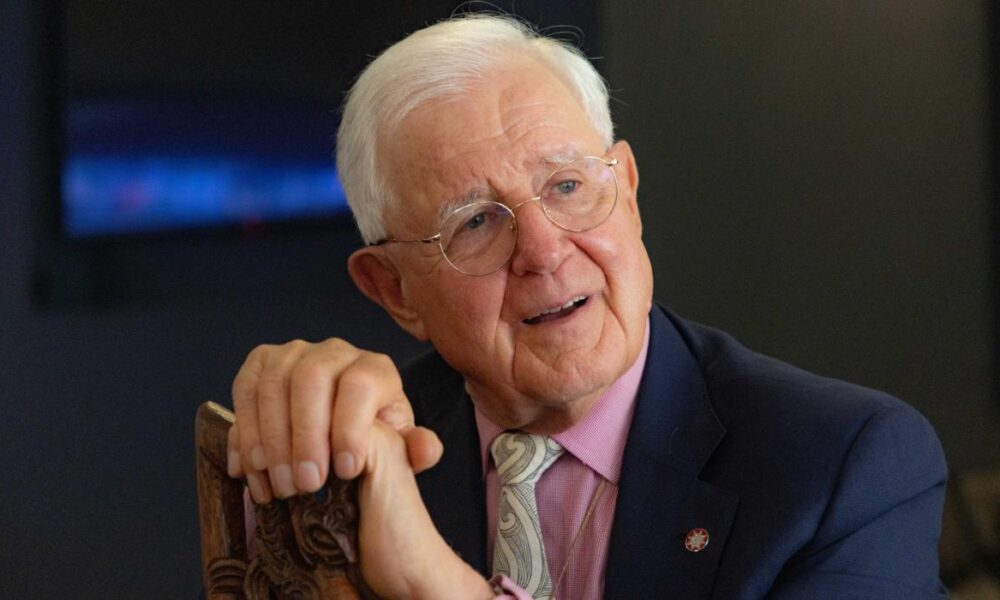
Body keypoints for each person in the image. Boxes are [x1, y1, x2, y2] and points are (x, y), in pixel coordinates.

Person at [226, 14, 948, 600]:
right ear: (393, 289)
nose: (543, 250)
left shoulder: (842, 468)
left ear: (626, 191)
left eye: (567, 186)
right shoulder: (345, 462)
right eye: (475, 223)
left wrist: (436, 586)